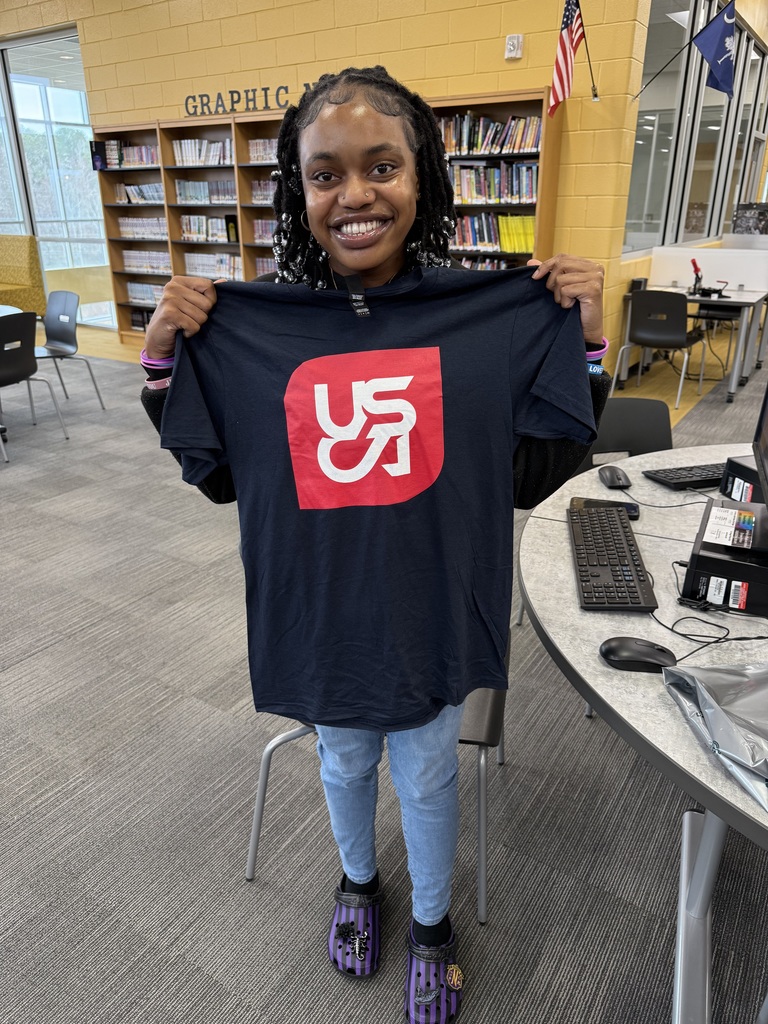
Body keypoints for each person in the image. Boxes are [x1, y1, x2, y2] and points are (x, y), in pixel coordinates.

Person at [141, 66, 607, 1023]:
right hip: (323, 614)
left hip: (430, 607)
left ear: (423, 176)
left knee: (430, 774)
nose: (354, 195)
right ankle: (359, 882)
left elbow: (533, 474)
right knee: (344, 762)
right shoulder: (257, 329)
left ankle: (432, 925)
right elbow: (221, 471)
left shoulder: (485, 318)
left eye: (381, 166)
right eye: (325, 175)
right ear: (297, 191)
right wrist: (161, 357)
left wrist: (584, 342)